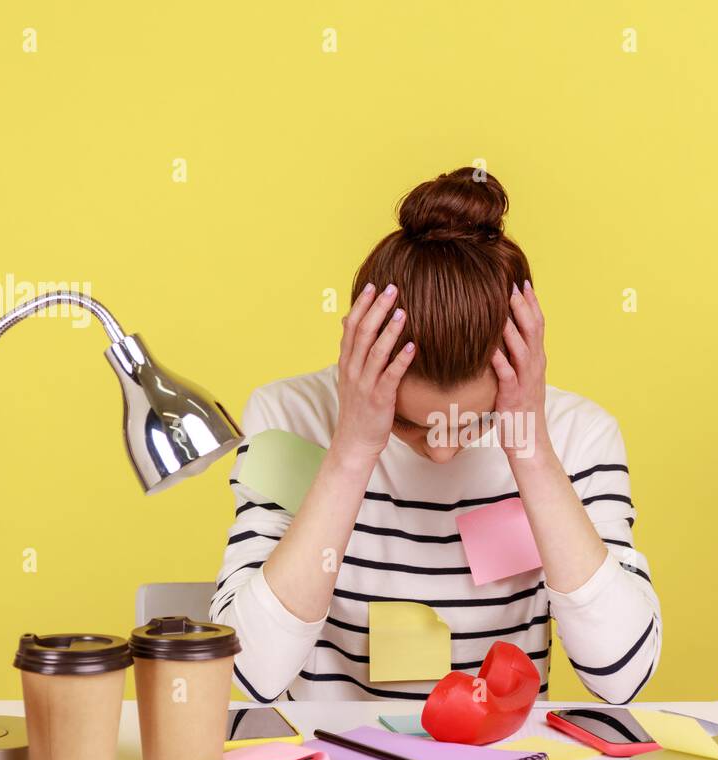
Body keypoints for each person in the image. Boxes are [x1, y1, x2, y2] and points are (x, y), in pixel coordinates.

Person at [212, 167, 661, 704]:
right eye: (408, 423)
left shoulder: (576, 436)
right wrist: (353, 450)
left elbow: (621, 676)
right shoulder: (290, 419)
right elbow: (246, 675)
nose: (443, 451)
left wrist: (531, 450)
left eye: (473, 420)